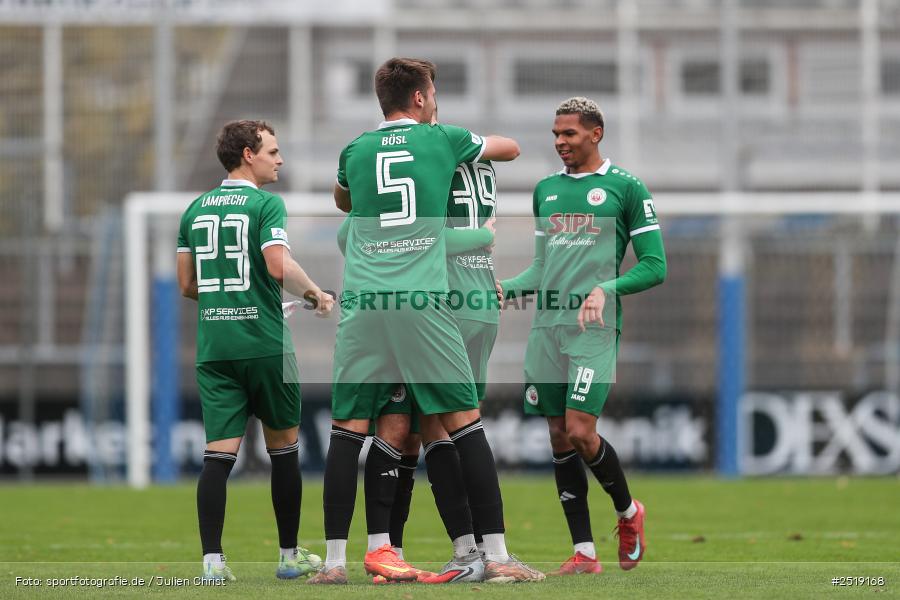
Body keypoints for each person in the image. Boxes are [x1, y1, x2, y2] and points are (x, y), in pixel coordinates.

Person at [308, 57, 543, 585]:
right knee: (464, 422)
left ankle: (334, 564)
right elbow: (507, 147)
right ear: (419, 98)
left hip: (364, 303)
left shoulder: (356, 149)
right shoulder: (444, 140)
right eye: (432, 91)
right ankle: (496, 554)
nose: (434, 99)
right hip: (420, 301)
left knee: (347, 432)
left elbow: (343, 200)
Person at [497, 97, 666, 575]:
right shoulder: (546, 190)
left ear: (596, 133)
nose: (559, 143)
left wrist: (604, 288)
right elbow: (541, 268)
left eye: (568, 134)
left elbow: (656, 266)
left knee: (579, 430)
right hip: (547, 328)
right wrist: (501, 290)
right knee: (557, 436)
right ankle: (585, 554)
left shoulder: (626, 188)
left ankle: (629, 512)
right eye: (555, 134)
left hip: (594, 328)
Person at [334, 134, 501, 583]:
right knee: (432, 426)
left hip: (417, 305)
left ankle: (430, 549)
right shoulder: (453, 159)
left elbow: (347, 232)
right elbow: (509, 149)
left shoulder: (377, 162)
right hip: (457, 305)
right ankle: (472, 551)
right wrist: (483, 237)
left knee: (416, 428)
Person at [176, 120, 334, 582]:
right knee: (284, 450)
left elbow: (188, 285)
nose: (279, 159)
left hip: (216, 347)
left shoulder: (195, 209)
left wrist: (231, 300)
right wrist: (315, 295)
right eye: (272, 151)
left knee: (218, 455)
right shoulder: (265, 204)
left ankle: (212, 564)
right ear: (248, 154)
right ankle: (288, 557)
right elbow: (277, 264)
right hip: (264, 344)